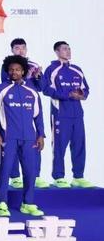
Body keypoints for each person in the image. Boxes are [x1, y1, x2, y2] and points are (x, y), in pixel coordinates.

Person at [0, 55, 45, 217]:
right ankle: (1, 203)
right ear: (7, 71)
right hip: (8, 137)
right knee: (5, 170)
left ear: (23, 71)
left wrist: (41, 135)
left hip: (29, 138)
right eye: (11, 70)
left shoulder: (32, 91)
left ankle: (28, 203)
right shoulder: (1, 89)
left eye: (18, 70)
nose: (14, 72)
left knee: (30, 171)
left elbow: (38, 115)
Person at [42, 41, 92, 188]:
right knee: (59, 146)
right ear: (57, 52)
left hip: (77, 114)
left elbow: (86, 89)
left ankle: (78, 176)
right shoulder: (52, 69)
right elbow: (46, 90)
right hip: (60, 114)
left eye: (69, 49)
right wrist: (68, 95)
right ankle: (58, 177)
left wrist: (81, 94)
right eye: (64, 49)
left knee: (79, 145)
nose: (68, 51)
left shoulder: (77, 70)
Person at [2, 37, 46, 189]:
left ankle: (35, 175)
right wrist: (24, 77)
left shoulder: (34, 66)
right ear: (12, 50)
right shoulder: (8, 66)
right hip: (13, 107)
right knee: (11, 146)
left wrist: (37, 76)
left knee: (33, 143)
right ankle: (15, 177)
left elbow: (41, 87)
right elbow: (6, 82)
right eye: (17, 48)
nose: (20, 51)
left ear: (26, 49)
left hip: (29, 105)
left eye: (22, 48)